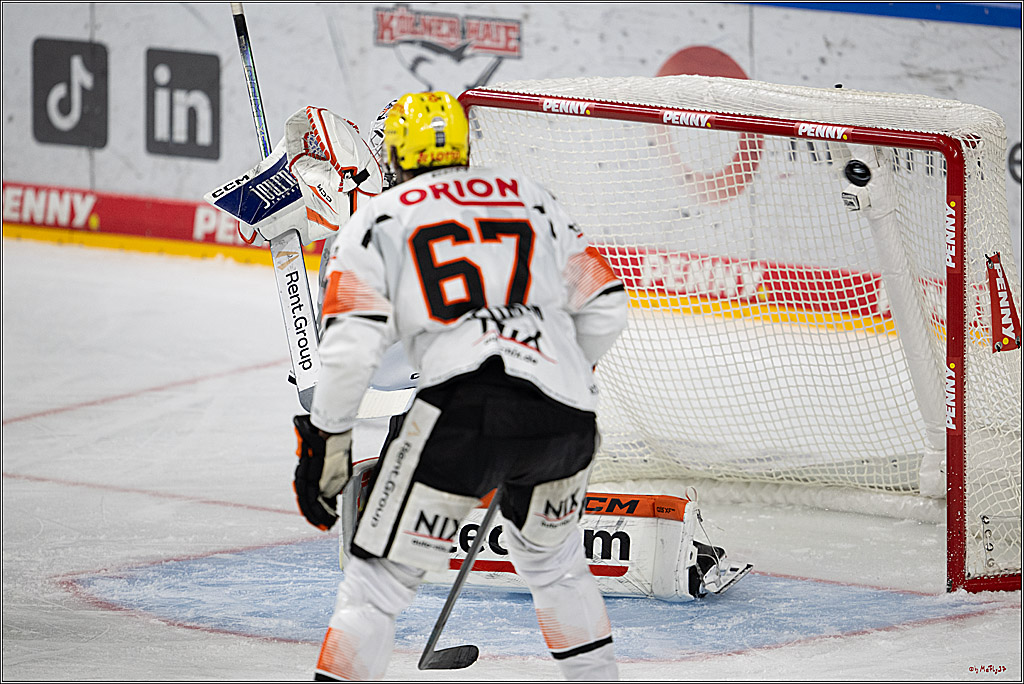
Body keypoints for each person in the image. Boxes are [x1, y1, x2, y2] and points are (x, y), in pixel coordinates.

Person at [291, 91, 629, 681]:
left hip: (461, 416)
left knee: (374, 589)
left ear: (394, 155)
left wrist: (326, 442)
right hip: (567, 421)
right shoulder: (532, 200)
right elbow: (605, 307)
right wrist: (559, 377)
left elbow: (347, 352)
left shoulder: (376, 220)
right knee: (557, 570)